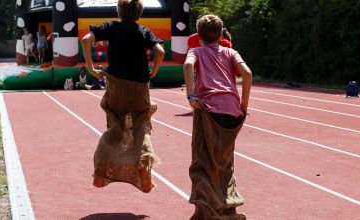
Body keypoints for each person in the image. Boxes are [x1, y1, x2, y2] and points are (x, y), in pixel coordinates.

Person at [81, 0, 165, 193]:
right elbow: (160, 51)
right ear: (139, 14)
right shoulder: (144, 31)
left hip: (117, 85)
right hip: (140, 87)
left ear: (118, 11)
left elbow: (86, 40)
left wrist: (92, 68)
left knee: (115, 126)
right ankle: (144, 162)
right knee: (141, 124)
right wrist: (154, 71)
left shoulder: (111, 26)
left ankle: (101, 172)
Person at [184, 14, 252, 220]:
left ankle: (206, 212)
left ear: (200, 36)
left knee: (202, 161)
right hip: (232, 114)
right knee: (225, 163)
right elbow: (247, 74)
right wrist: (243, 105)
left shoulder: (196, 51)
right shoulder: (231, 52)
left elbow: (188, 65)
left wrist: (190, 95)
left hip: (208, 112)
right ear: (221, 34)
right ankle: (228, 207)